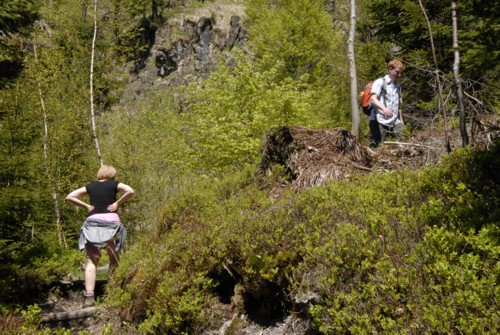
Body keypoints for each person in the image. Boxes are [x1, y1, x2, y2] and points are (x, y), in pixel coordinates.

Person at [66, 165, 134, 307]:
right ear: (112, 174)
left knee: (91, 262)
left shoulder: (90, 186)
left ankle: (89, 298)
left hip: (93, 223)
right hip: (111, 223)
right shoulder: (114, 184)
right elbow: (130, 191)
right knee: (113, 258)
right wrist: (117, 203)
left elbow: (70, 196)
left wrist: (86, 206)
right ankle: (113, 291)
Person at [369, 59, 405, 148]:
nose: (399, 75)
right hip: (380, 120)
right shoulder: (380, 82)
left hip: (394, 121)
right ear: (390, 69)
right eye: (397, 72)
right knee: (378, 146)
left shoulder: (398, 86)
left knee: (403, 141)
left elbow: (398, 107)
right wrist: (384, 109)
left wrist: (401, 122)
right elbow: (373, 99)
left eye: (400, 73)